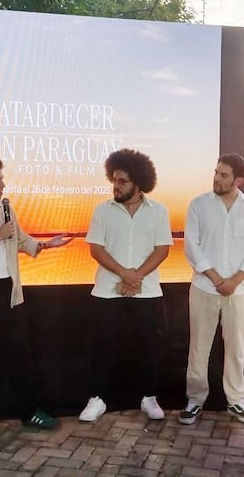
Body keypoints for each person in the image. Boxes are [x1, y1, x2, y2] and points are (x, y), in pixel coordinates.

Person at [0, 157, 73, 439]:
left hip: (8, 293)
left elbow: (19, 240)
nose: (2, 184)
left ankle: (30, 411)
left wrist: (46, 244)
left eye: (1, 179)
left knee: (20, 357)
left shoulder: (6, 209)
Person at [79, 149, 173, 422]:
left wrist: (136, 277)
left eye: (122, 181)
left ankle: (149, 398)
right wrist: (124, 274)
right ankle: (96, 400)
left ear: (138, 182)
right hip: (107, 290)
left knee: (148, 347)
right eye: (114, 180)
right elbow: (96, 249)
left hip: (148, 291)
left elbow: (162, 250)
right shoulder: (102, 210)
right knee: (102, 346)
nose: (116, 186)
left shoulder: (159, 211)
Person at [179, 154, 244, 425]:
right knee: (199, 347)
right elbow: (192, 246)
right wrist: (217, 278)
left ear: (238, 180)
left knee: (237, 348)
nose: (217, 178)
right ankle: (194, 400)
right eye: (216, 172)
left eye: (224, 175)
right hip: (205, 287)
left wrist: (235, 280)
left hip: (239, 292)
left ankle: (236, 401)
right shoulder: (199, 205)